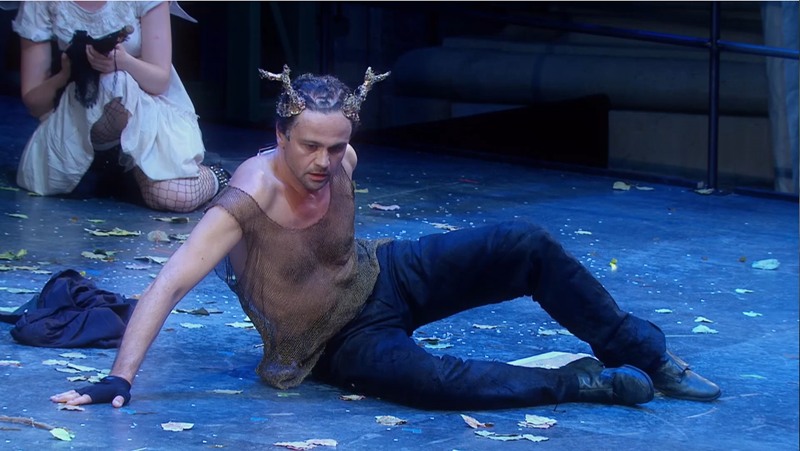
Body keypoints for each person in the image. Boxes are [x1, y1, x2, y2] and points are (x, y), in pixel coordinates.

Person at [51, 65, 721, 410]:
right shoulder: (246, 200)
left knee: (525, 243)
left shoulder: (341, 157)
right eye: (308, 146)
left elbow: (340, 188)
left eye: (335, 145)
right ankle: (583, 384)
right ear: (279, 135)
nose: (324, 161)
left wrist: (337, 163)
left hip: (382, 275)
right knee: (436, 382)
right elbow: (168, 284)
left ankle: (648, 355)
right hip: (330, 342)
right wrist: (119, 377)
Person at [12, 1, 229, 212]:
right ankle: (109, 167)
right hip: (80, 115)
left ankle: (216, 176)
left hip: (145, 108)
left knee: (175, 196)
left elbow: (159, 81)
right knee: (106, 83)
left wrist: (123, 62)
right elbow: (35, 103)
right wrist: (66, 74)